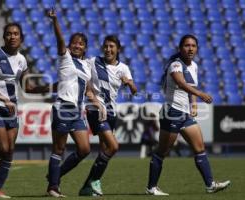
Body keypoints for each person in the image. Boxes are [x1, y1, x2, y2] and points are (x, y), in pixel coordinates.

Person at [0, 23, 52, 198]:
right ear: (4, 37)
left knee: (10, 150)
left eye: (16, 34)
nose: (12, 37)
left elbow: (27, 87)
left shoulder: (22, 59)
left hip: (12, 109)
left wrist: (48, 88)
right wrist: (2, 98)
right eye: (9, 34)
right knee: (3, 148)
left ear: (21, 38)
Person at [145, 34, 231, 196]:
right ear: (180, 48)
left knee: (199, 148)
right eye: (187, 45)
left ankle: (210, 184)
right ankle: (151, 187)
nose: (190, 48)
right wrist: (201, 94)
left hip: (185, 114)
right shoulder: (175, 65)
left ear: (197, 48)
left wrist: (193, 104)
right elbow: (181, 83)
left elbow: (189, 86)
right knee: (162, 151)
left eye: (193, 46)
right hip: (172, 112)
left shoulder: (194, 66)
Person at [46, 9, 105, 197]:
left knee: (85, 149)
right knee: (59, 149)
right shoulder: (65, 58)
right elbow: (60, 41)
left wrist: (97, 103)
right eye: (75, 43)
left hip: (77, 112)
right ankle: (53, 187)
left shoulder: (86, 66)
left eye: (81, 44)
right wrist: (55, 21)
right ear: (70, 45)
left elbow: (87, 89)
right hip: (63, 107)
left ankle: (55, 175)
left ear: (85, 48)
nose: (77, 45)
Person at [79, 35, 137, 196]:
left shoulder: (123, 68)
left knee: (104, 151)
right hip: (97, 110)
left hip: (112, 112)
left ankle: (87, 186)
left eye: (112, 46)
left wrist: (130, 83)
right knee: (113, 146)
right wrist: (90, 93)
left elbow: (134, 91)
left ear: (118, 49)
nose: (108, 49)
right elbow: (83, 78)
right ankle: (94, 182)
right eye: (106, 46)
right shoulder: (93, 62)